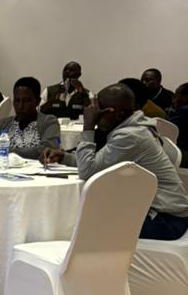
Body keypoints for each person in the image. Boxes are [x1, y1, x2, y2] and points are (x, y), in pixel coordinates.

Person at [43, 84, 188, 240]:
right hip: (160, 213)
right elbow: (98, 164)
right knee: (85, 218)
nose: (95, 115)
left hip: (165, 220)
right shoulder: (133, 128)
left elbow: (87, 171)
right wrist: (64, 157)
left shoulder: (131, 136)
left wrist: (89, 126)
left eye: (99, 111)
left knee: (81, 225)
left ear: (117, 115)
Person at [0, 77, 60, 160]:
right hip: (3, 169)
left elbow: (47, 149)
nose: (20, 106)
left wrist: (4, 151)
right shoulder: (3, 123)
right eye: (17, 100)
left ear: (37, 101)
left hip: (37, 171)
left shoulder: (49, 122)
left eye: (26, 101)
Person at [168, 83, 188, 166]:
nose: (173, 101)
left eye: (176, 96)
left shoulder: (183, 111)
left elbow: (166, 131)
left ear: (186, 97)